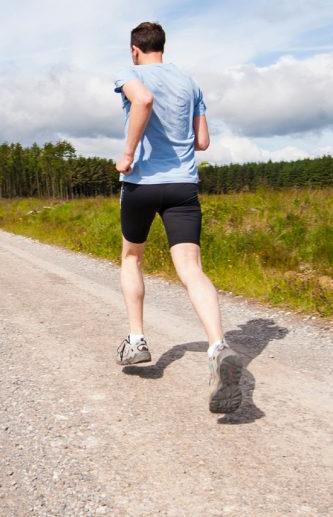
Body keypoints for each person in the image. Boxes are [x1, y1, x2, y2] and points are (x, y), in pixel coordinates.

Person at [112, 21, 244, 414]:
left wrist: (128, 153)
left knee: (132, 257)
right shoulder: (190, 83)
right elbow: (202, 141)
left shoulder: (130, 74)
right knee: (191, 269)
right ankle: (218, 345)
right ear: (162, 47)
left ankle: (137, 341)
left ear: (135, 50)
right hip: (183, 186)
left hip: (141, 184)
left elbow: (143, 101)